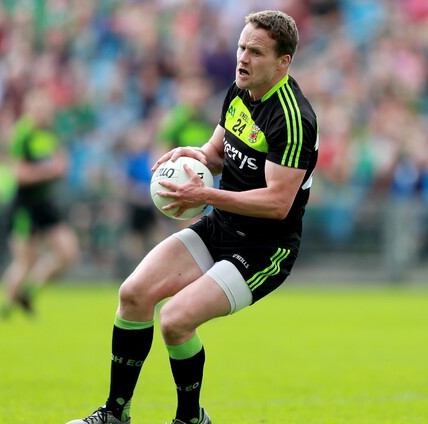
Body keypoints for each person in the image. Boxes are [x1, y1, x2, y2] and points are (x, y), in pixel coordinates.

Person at [66, 10, 318, 423]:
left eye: (256, 52)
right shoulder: (239, 91)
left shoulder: (293, 119)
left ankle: (190, 419)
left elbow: (278, 203)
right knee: (133, 294)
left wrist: (205, 194)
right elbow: (218, 152)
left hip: (264, 249)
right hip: (221, 226)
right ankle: (115, 413)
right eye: (241, 47)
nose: (243, 57)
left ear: (283, 62)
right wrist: (195, 156)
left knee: (176, 320)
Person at [0, 88, 79, 318]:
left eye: (46, 109)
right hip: (24, 203)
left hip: (45, 201)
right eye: (38, 108)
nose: (43, 113)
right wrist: (49, 171)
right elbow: (18, 174)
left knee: (68, 252)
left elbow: (62, 165)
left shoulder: (51, 134)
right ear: (28, 109)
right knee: (25, 260)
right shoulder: (21, 135)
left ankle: (28, 293)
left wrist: (59, 168)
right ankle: (5, 308)